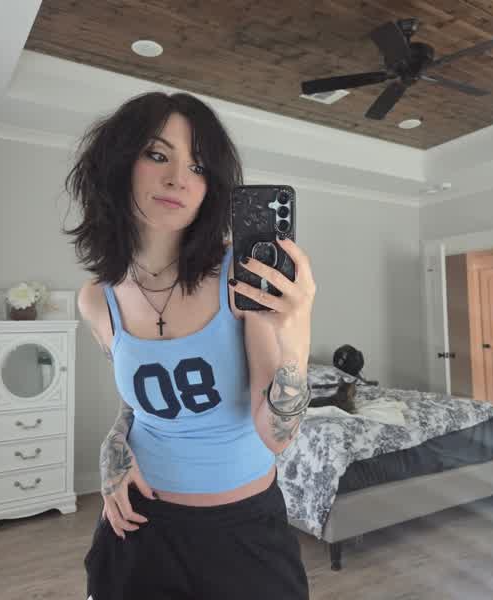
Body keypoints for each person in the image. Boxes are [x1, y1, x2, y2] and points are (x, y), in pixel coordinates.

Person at [63, 91, 315, 599]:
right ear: (118, 163)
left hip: (244, 534)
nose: (179, 178)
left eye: (198, 167)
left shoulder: (239, 277)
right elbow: (137, 403)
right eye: (158, 155)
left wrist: (298, 328)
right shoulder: (96, 299)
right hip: (140, 528)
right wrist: (113, 448)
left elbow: (277, 435)